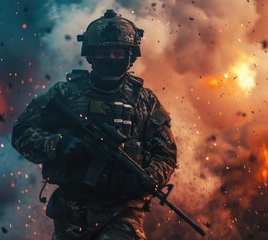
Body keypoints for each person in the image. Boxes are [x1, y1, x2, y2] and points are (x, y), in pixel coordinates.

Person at [11, 9, 177, 240]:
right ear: (90, 54)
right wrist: (59, 145)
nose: (110, 58)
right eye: (103, 52)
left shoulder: (145, 101)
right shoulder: (65, 94)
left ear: (130, 55)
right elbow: (21, 132)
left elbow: (166, 155)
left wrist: (146, 178)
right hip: (71, 211)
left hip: (123, 212)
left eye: (117, 52)